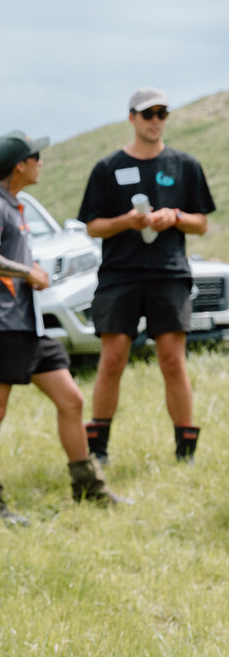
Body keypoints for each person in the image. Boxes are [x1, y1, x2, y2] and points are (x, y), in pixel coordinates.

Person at [0, 131, 121, 525]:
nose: (41, 162)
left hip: (27, 326)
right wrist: (28, 274)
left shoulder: (13, 205)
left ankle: (87, 485)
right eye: (37, 156)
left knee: (71, 399)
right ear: (20, 164)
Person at [78, 87, 216, 464]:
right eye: (148, 113)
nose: (156, 120)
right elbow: (91, 226)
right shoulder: (107, 168)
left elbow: (202, 223)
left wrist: (175, 217)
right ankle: (99, 450)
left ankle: (184, 451)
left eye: (162, 113)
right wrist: (127, 221)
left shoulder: (185, 165)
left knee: (173, 359)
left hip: (168, 274)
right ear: (132, 118)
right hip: (119, 275)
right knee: (112, 359)